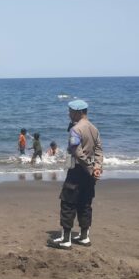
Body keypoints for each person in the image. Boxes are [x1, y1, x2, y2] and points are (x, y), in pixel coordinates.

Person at [47, 99, 103, 250]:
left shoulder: (76, 130)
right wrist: (96, 167)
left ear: (78, 112)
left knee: (68, 202)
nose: (68, 114)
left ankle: (66, 240)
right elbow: (98, 150)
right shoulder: (94, 128)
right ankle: (84, 237)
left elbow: (76, 152)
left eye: (70, 111)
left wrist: (90, 168)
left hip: (78, 171)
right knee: (85, 203)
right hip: (89, 172)